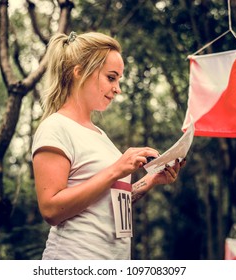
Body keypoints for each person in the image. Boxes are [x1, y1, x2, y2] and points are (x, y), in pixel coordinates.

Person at [31, 31, 186, 260]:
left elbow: (108, 201)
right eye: (111, 77)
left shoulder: (100, 135)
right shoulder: (55, 127)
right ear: (79, 73)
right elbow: (51, 210)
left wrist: (151, 180)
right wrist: (118, 168)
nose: (118, 88)